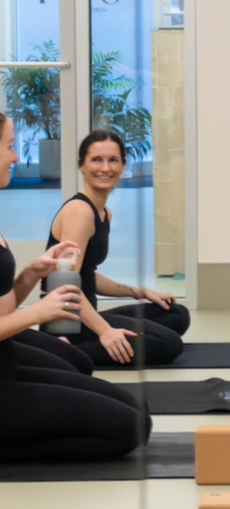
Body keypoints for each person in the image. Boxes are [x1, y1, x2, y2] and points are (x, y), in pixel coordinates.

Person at [0, 111, 151, 462]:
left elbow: (4, 309)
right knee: (133, 428)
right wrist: (38, 313)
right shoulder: (81, 211)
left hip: (6, 364)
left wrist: (30, 275)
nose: (16, 156)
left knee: (135, 407)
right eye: (9, 146)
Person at [49, 130, 190, 368]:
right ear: (81, 165)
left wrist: (140, 292)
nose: (105, 168)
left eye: (113, 160)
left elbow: (87, 276)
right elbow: (65, 284)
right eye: (96, 160)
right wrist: (105, 330)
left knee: (177, 314)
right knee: (169, 344)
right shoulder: (80, 212)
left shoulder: (103, 213)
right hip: (68, 325)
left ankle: (88, 340)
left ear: (123, 165)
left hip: (86, 314)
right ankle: (59, 351)